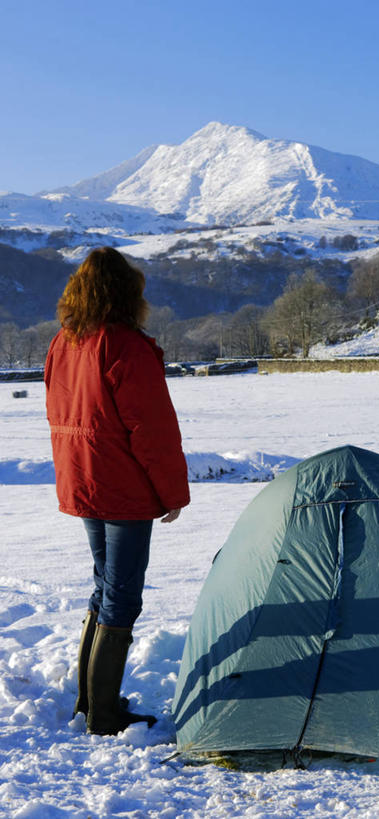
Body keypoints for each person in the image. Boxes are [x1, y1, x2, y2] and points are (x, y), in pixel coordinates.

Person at [45, 246, 190, 736]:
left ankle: (90, 700)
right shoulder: (126, 346)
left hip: (85, 478)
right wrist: (171, 493)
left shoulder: (64, 342)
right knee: (121, 597)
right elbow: (152, 429)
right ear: (127, 293)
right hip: (123, 486)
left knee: (104, 586)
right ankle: (104, 713)